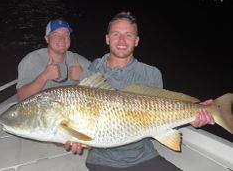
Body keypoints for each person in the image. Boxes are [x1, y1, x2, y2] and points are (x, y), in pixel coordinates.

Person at [63, 11, 215, 171]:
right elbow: (84, 128)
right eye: (116, 34)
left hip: (144, 156)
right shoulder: (91, 74)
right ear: (107, 38)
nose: (122, 40)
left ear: (136, 41)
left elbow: (162, 117)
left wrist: (194, 116)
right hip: (102, 161)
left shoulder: (151, 74)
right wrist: (76, 138)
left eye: (128, 35)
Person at [16, 18, 91, 101]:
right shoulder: (32, 61)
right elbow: (21, 97)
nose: (62, 39)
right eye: (56, 34)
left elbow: (103, 79)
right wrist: (44, 76)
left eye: (66, 35)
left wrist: (84, 76)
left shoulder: (76, 60)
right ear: (47, 39)